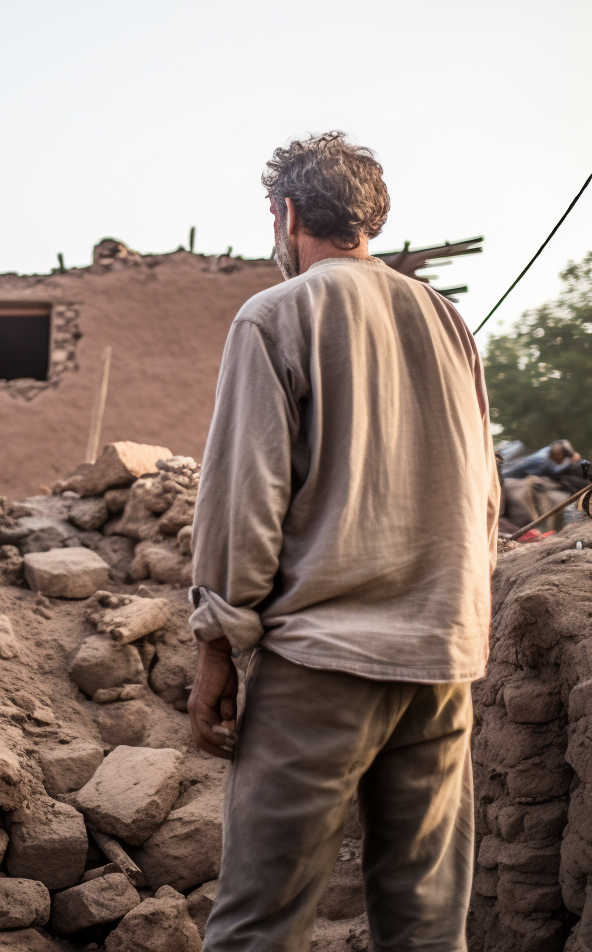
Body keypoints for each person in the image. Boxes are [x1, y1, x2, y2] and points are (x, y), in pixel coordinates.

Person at [187, 131, 499, 952]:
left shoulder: (277, 314)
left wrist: (218, 648)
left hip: (324, 661)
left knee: (261, 921)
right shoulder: (446, 321)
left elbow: (242, 502)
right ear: (372, 220)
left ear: (287, 215)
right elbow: (485, 495)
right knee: (428, 924)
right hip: (441, 661)